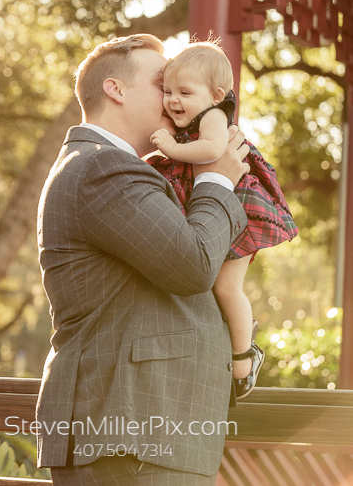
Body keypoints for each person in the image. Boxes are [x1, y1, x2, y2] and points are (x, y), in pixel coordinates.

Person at [36, 33, 250, 486]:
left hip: (142, 433)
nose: (174, 98)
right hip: (133, 431)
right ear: (115, 89)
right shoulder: (102, 167)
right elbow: (192, 264)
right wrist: (218, 181)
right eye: (162, 84)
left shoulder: (105, 165)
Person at [148, 37, 298, 399]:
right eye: (168, 91)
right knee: (211, 283)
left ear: (217, 96)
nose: (173, 100)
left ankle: (244, 361)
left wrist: (168, 147)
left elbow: (213, 150)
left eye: (185, 91)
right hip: (218, 203)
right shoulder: (190, 119)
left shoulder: (214, 117)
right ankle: (229, 351)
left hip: (241, 206)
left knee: (226, 287)